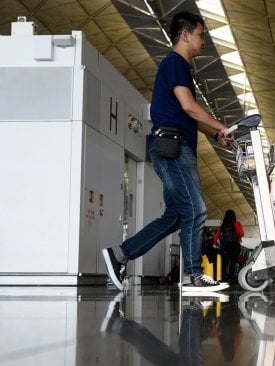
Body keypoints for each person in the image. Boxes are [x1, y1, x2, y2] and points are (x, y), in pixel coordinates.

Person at [101, 11, 232, 292]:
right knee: (196, 210)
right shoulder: (176, 63)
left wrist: (215, 134)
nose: (204, 41)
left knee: (176, 215)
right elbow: (188, 107)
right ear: (185, 35)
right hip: (174, 148)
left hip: (174, 146)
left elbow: (188, 115)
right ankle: (194, 276)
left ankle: (119, 255)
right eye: (201, 35)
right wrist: (221, 126)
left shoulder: (180, 68)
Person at [213, 210, 244, 284]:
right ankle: (232, 279)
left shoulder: (223, 225)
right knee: (233, 262)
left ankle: (223, 277)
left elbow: (217, 235)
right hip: (235, 246)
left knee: (225, 262)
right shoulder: (237, 224)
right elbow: (241, 234)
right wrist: (237, 236)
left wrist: (214, 244)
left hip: (226, 246)